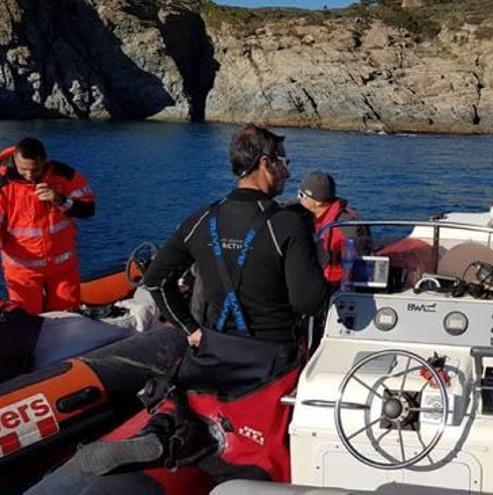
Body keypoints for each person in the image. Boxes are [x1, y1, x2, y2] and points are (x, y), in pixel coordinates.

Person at [35, 125, 330, 491]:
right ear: (265, 163)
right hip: (268, 360)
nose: (288, 172)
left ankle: (165, 432)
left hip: (210, 352)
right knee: (257, 460)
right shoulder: (287, 224)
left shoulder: (203, 219)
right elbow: (309, 301)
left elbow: (156, 279)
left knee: (188, 405)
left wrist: (189, 327)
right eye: (284, 163)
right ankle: (217, 458)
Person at [0, 138, 95, 315]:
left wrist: (60, 200)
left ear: (45, 160)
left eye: (35, 169)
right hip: (23, 270)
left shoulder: (64, 175)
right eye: (23, 169)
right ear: (15, 160)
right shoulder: (3, 183)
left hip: (63, 267)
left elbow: (88, 210)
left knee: (69, 320)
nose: (29, 175)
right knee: (27, 325)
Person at [295, 170, 370, 286]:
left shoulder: (347, 226)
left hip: (337, 288)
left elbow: (361, 262)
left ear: (317, 202)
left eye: (301, 195)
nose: (298, 198)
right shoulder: (310, 216)